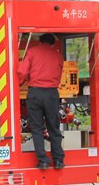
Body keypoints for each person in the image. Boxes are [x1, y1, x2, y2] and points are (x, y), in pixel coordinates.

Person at [17, 33, 66, 169]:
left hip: (35, 93)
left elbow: (21, 71)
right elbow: (59, 73)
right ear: (52, 43)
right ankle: (58, 160)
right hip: (52, 93)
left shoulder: (32, 52)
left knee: (37, 128)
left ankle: (43, 160)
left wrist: (22, 82)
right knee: (54, 127)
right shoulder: (58, 55)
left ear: (40, 42)